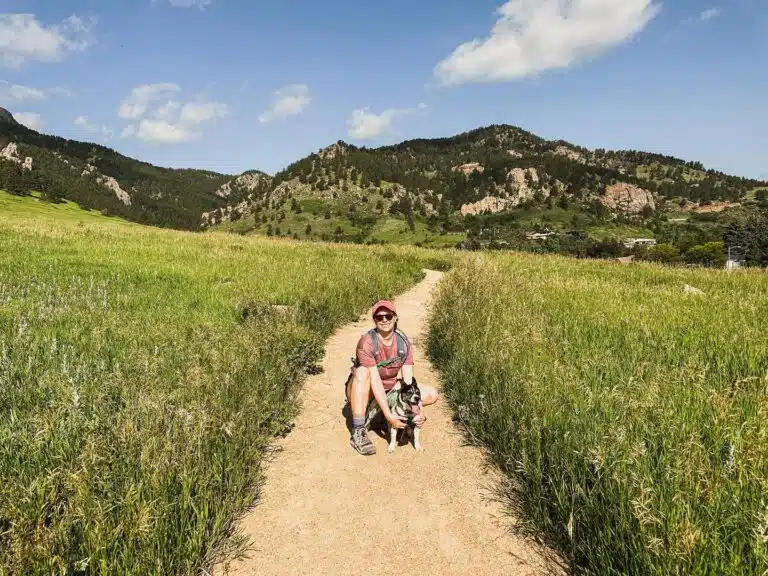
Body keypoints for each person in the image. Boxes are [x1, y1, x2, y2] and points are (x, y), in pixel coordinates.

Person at [345, 299, 439, 455]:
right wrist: (390, 416)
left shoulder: (403, 342)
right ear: (374, 320)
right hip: (364, 388)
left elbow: (408, 381)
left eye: (388, 316)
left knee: (432, 394)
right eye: (379, 317)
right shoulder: (367, 342)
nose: (384, 320)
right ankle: (359, 430)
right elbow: (375, 381)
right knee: (362, 372)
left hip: (391, 388)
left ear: (395, 318)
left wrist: (418, 410)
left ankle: (383, 415)